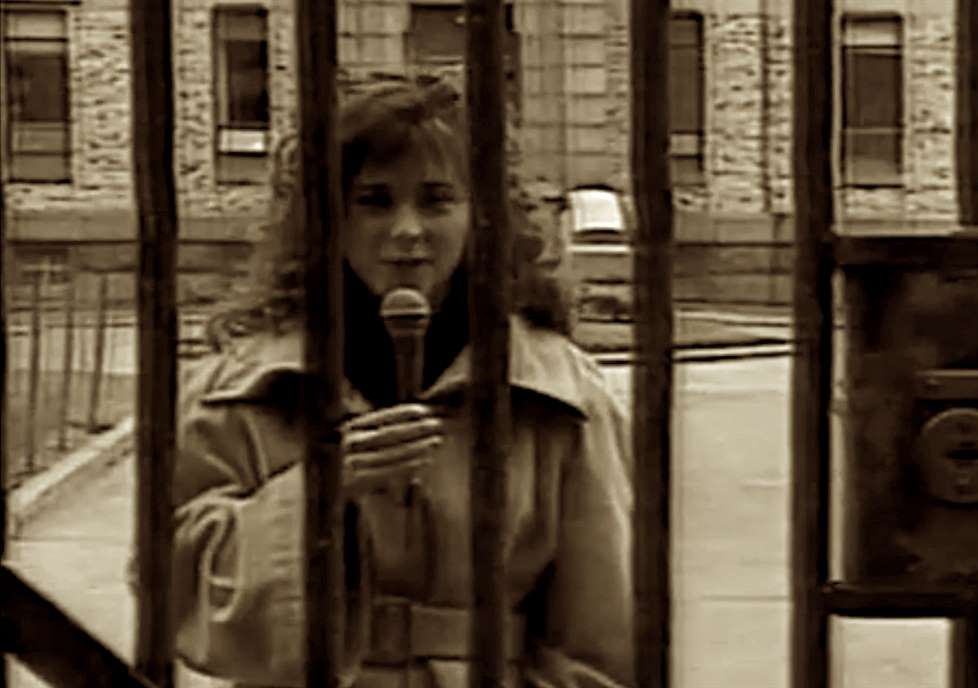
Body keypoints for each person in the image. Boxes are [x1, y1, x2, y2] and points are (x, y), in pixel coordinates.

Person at [170, 76, 635, 688]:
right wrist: (317, 494)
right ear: (329, 218)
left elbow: (605, 636)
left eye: (436, 201)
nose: (408, 230)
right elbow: (175, 586)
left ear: (481, 216)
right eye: (375, 201)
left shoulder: (559, 394)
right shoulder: (243, 389)